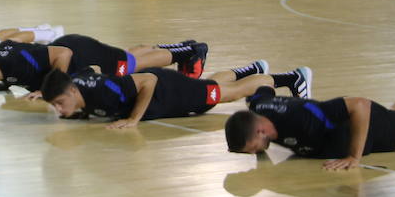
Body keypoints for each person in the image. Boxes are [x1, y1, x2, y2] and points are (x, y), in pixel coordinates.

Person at [225, 79, 395, 170]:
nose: (256, 152)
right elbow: (263, 88)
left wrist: (353, 156)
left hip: (372, 129)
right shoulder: (258, 110)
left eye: (253, 148)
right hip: (372, 121)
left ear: (261, 130)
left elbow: (360, 105)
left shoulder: (304, 119)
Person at [39, 64, 313, 130]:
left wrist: (134, 118)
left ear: (73, 91)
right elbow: (93, 69)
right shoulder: (76, 88)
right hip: (167, 90)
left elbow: (149, 81)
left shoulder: (102, 91)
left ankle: (291, 77)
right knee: (212, 86)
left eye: (60, 103)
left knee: (228, 95)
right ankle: (250, 69)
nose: (59, 110)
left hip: (172, 92)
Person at [0, 35, 237, 95]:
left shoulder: (14, 62)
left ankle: (189, 51)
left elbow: (63, 55)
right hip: (67, 49)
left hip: (75, 51)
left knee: (128, 65)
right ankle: (174, 47)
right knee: (125, 56)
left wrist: (50, 87)